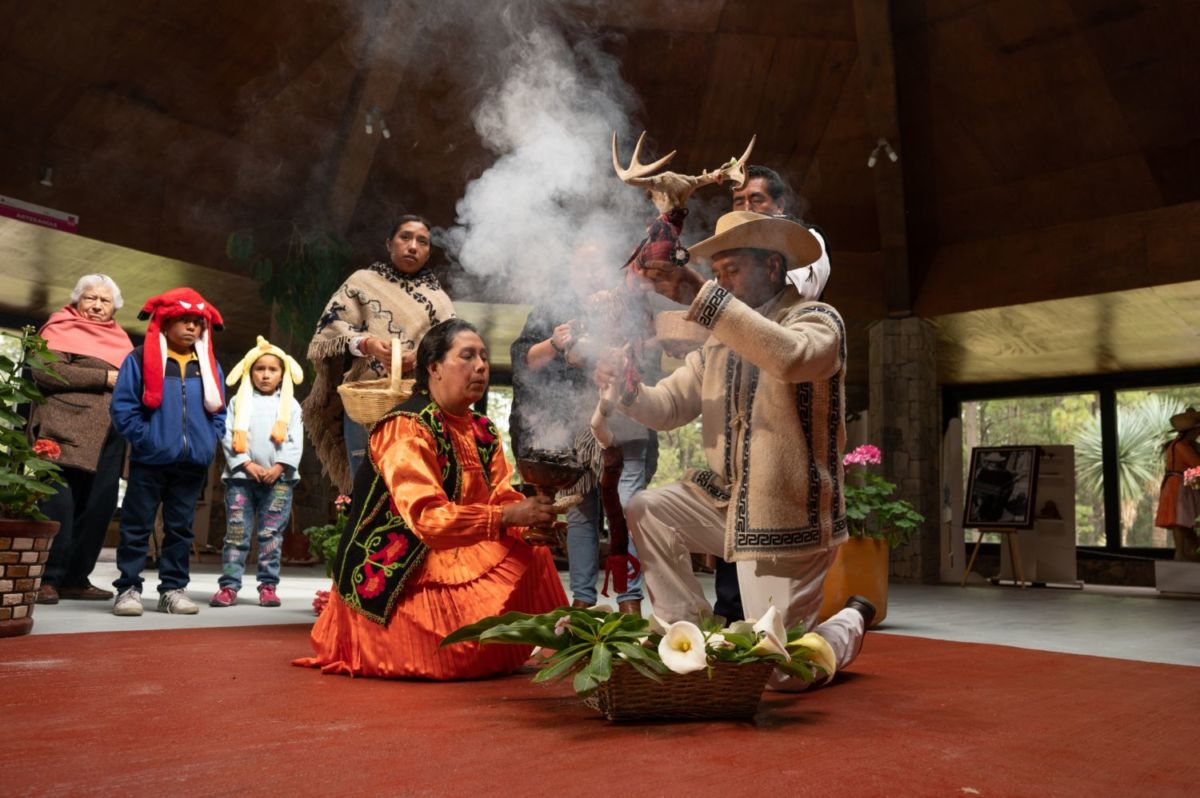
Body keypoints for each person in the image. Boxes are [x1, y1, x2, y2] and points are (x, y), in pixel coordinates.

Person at [600, 210, 871, 689]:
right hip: (727, 504)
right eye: (717, 273)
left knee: (783, 674)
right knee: (648, 507)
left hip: (788, 516)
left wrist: (697, 295)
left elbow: (789, 356)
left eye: (732, 270)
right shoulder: (718, 342)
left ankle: (849, 623)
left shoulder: (817, 320)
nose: (721, 282)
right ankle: (691, 635)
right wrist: (628, 390)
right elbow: (668, 406)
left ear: (771, 266)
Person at [295, 319, 568, 679]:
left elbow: (503, 496)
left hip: (461, 548)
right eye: (467, 356)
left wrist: (533, 518)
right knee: (460, 655)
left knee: (534, 551)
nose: (481, 366)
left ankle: (560, 638)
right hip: (403, 566)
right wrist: (507, 517)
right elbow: (428, 519)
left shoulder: (483, 430)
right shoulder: (407, 427)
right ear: (434, 368)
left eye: (484, 357)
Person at [510, 244, 655, 616]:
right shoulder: (552, 308)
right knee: (581, 512)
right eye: (583, 266)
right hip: (573, 425)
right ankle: (582, 602)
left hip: (626, 422)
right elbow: (524, 358)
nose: (592, 274)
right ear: (571, 270)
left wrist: (623, 359)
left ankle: (630, 601)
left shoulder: (632, 303)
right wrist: (558, 345)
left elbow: (653, 356)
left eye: (599, 265)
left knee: (628, 507)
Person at [304, 215, 455, 493]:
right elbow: (331, 327)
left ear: (428, 252)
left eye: (422, 242)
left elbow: (451, 350)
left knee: (413, 491)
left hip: (419, 407)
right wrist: (367, 344)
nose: (412, 246)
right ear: (389, 243)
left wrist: (421, 358)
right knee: (366, 490)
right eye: (405, 237)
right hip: (365, 404)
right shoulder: (362, 282)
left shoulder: (440, 301)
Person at [109, 288, 227, 616]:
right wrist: (146, 440)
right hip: (149, 460)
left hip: (192, 463)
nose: (191, 328)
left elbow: (219, 410)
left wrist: (210, 439)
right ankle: (128, 588)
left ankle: (173, 589)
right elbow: (123, 408)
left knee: (180, 528)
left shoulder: (208, 363)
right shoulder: (139, 358)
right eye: (183, 321)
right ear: (164, 322)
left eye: (196, 322)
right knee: (137, 525)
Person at [29, 274, 133, 604]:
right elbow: (45, 373)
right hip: (64, 429)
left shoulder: (121, 340)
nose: (97, 305)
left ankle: (76, 578)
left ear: (114, 307)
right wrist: (105, 377)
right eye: (90, 298)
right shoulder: (60, 327)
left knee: (99, 507)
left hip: (110, 437)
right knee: (58, 504)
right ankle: (48, 577)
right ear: (77, 300)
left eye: (104, 300)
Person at [210, 337, 305, 608]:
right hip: (241, 479)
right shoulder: (238, 402)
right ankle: (229, 586)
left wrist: (279, 467)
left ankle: (268, 586)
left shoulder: (292, 406)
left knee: (270, 535)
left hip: (279, 481)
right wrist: (247, 464)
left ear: (282, 374)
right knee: (236, 534)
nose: (265, 374)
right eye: (259, 368)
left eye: (272, 369)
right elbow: (227, 435)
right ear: (249, 371)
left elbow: (295, 440)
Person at [1155, 408, 1200, 561]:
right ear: (1191, 432)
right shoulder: (1181, 446)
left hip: (1182, 483)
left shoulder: (1179, 445)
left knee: (1184, 522)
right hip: (1179, 485)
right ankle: (1181, 553)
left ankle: (1189, 552)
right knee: (1180, 521)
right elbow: (1197, 465)